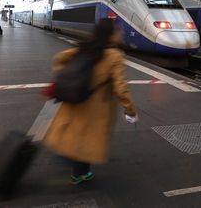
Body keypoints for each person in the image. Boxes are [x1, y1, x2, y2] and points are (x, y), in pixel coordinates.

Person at [44, 19, 137, 185]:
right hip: (96, 107)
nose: (121, 33)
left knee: (76, 136)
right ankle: (77, 172)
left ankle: (80, 170)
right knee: (86, 140)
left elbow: (59, 58)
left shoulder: (86, 47)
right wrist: (130, 109)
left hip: (77, 98)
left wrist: (68, 77)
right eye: (118, 30)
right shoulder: (115, 55)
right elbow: (121, 88)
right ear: (111, 34)